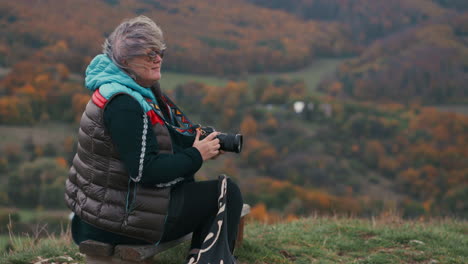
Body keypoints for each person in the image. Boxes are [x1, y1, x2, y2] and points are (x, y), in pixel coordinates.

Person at [64, 15, 243, 262]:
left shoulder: (127, 89)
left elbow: (159, 139)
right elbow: (145, 171)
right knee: (226, 192)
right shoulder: (124, 104)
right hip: (118, 223)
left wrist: (197, 141)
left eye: (160, 52)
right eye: (149, 54)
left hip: (105, 214)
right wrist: (196, 155)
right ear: (125, 60)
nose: (158, 59)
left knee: (198, 188)